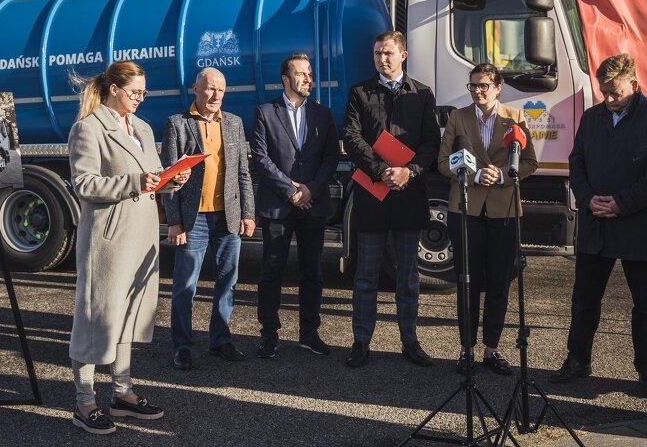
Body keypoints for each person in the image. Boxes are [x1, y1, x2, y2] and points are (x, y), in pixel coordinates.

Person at [68, 61, 191, 435]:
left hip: (140, 237)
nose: (141, 97)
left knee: (128, 317)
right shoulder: (88, 128)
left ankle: (122, 393)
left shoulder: (142, 127)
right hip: (108, 240)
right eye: (135, 91)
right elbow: (84, 185)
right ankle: (84, 401)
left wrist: (172, 180)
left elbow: (149, 178)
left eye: (143, 91)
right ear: (114, 89)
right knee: (96, 320)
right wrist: (136, 181)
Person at [550, 53, 647, 398]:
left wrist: (622, 203)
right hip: (597, 225)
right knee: (584, 300)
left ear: (635, 85)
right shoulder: (592, 118)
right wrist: (588, 196)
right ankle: (577, 359)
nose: (608, 99)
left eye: (615, 93)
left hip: (640, 227)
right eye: (603, 92)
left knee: (646, 303)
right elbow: (576, 160)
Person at [341, 30, 441, 368]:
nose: (381, 59)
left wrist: (409, 171)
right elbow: (352, 137)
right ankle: (361, 341)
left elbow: (431, 143)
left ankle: (410, 341)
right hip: (373, 194)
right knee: (366, 275)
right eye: (376, 54)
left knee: (408, 277)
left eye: (387, 53)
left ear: (403, 55)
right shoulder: (359, 93)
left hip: (409, 195)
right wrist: (382, 169)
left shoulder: (423, 94)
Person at [437, 63, 538, 376]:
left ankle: (491, 349)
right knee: (467, 280)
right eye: (473, 86)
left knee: (499, 282)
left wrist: (506, 175)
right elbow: (442, 163)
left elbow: (530, 162)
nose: (477, 91)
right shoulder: (458, 117)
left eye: (483, 86)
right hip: (464, 209)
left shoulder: (515, 118)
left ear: (498, 87)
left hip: (503, 209)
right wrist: (474, 174)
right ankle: (466, 349)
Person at [162, 67, 255, 370]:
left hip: (227, 216)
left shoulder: (234, 123)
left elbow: (243, 172)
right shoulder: (177, 124)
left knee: (228, 282)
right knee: (185, 285)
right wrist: (174, 222)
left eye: (221, 90)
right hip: (194, 219)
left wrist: (247, 213)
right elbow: (170, 177)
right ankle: (182, 346)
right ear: (196, 89)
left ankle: (220, 340)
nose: (216, 95)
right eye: (210, 89)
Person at [251, 52, 340, 359]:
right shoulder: (265, 112)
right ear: (286, 79)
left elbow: (331, 157)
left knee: (312, 271)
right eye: (301, 73)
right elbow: (261, 158)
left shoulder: (323, 114)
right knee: (271, 270)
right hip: (279, 205)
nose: (308, 78)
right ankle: (268, 334)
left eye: (310, 73)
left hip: (312, 204)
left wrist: (310, 189)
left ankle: (309, 333)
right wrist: (291, 190)